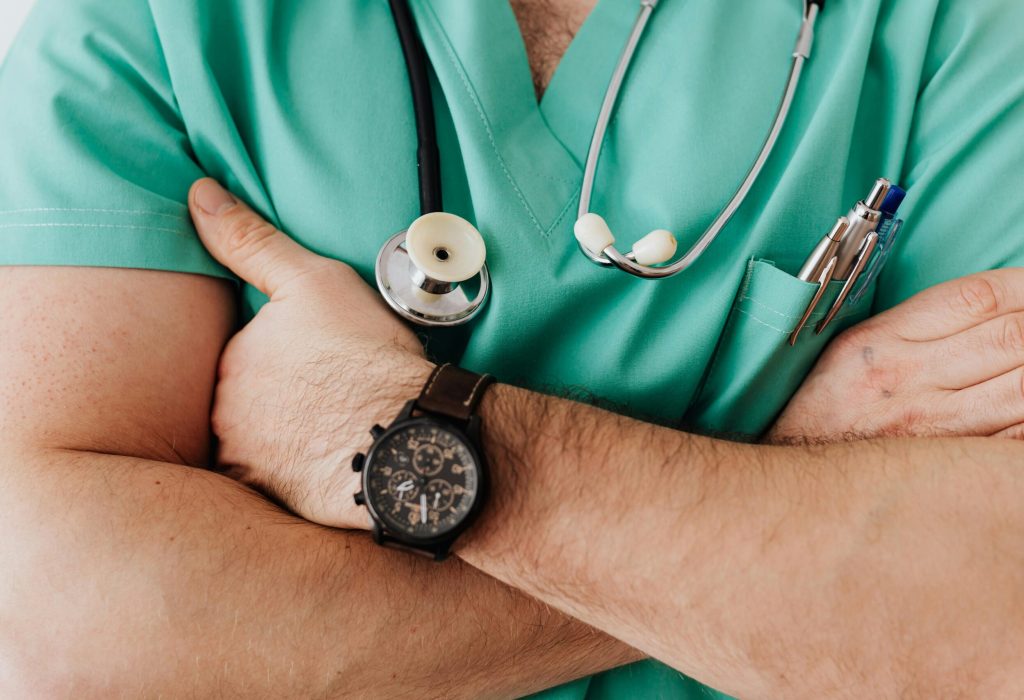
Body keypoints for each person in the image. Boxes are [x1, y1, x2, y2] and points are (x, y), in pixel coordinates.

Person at [0, 0, 1021, 697]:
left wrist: (378, 432)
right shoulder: (151, 24)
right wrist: (764, 460)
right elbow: (61, 617)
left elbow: (995, 611)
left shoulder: (958, 29)